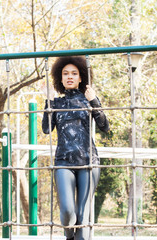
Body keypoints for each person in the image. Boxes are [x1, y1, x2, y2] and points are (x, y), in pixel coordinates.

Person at [42, 56, 109, 240]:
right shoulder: (56, 103)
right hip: (64, 161)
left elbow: (105, 126)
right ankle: (68, 236)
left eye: (74, 73)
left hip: (89, 162)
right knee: (68, 212)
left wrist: (95, 101)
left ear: (81, 78)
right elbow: (46, 129)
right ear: (60, 78)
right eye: (65, 74)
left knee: (83, 219)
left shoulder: (88, 100)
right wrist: (48, 102)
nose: (69, 77)